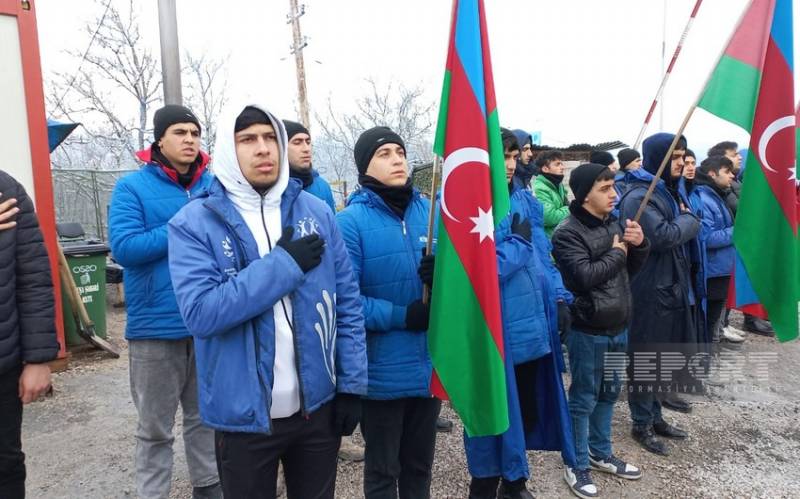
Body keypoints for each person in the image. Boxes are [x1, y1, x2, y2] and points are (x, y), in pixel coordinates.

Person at [168, 103, 367, 499]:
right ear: (228, 149)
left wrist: (351, 384)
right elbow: (202, 313)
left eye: (270, 138)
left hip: (317, 408)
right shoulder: (194, 222)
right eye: (247, 139)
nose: (263, 148)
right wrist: (284, 264)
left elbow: (347, 302)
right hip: (243, 417)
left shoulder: (317, 212)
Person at [108, 105, 221, 499]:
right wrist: (184, 223)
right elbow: (126, 247)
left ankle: (209, 487)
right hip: (156, 325)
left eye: (195, 132)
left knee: (205, 417)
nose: (190, 140)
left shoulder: (215, 185)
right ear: (159, 140)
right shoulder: (131, 188)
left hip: (209, 320)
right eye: (179, 132)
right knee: (154, 427)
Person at [465, 130, 575, 499]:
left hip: (531, 323)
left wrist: (559, 297)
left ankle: (514, 482)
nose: (510, 165)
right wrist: (515, 244)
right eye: (503, 157)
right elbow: (473, 275)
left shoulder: (524, 199)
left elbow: (542, 254)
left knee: (524, 410)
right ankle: (484, 486)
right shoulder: (468, 204)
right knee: (492, 414)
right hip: (494, 329)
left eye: (514, 156)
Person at [336, 126, 440, 499]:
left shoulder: (430, 213)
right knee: (382, 470)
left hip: (427, 367)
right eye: (384, 154)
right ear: (365, 165)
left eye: (400, 152)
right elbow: (345, 301)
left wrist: (443, 278)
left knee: (419, 466)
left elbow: (462, 281)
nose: (397, 160)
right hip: (381, 373)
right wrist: (402, 316)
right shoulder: (350, 223)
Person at [553, 163, 650, 498]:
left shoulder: (614, 223)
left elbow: (629, 270)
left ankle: (600, 452)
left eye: (614, 187)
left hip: (618, 326)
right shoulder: (567, 232)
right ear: (584, 195)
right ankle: (576, 462)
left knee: (609, 392)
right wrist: (618, 252)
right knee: (583, 398)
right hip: (588, 329)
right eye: (605, 189)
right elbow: (584, 277)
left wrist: (640, 244)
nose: (614, 194)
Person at [617, 133, 701, 456]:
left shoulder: (665, 190)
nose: (680, 162)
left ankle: (655, 416)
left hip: (667, 284)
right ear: (657, 158)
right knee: (645, 356)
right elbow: (663, 236)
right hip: (647, 287)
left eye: (682, 155)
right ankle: (641, 423)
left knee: (661, 355)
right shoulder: (640, 196)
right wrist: (690, 219)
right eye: (675, 156)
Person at [0, 172, 59, 499]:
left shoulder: (6, 190)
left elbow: (33, 279)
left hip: (4, 363)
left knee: (6, 465)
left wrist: (38, 359)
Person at [707, 142, 774, 337]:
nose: (740, 157)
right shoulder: (721, 189)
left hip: (737, 241)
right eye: (734, 154)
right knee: (724, 288)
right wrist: (747, 224)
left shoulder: (734, 183)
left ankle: (725, 324)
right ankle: (724, 326)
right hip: (731, 244)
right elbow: (740, 211)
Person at [689, 156, 743, 346]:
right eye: (727, 172)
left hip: (721, 267)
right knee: (709, 321)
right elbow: (707, 238)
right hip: (712, 271)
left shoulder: (716, 194)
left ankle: (709, 354)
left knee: (714, 320)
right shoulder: (704, 198)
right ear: (712, 173)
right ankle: (706, 357)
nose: (732, 176)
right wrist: (738, 231)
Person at [283, 120, 337, 212]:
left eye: (308, 142)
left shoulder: (321, 186)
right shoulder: (272, 189)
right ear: (281, 147)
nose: (306, 149)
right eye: (297, 143)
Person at [533, 150, 570, 237]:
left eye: (561, 164)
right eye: (557, 164)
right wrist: (571, 208)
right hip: (548, 239)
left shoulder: (557, 184)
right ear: (545, 169)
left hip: (560, 234)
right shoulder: (540, 188)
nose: (562, 167)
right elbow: (549, 218)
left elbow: (565, 205)